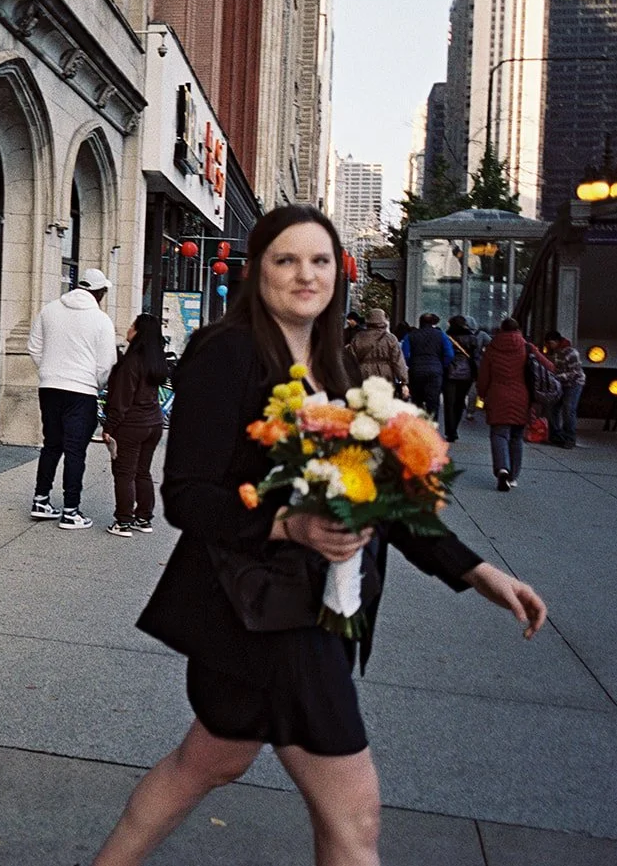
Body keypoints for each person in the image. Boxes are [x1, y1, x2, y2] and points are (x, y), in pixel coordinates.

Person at [91, 206, 547, 866]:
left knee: (207, 760)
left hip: (308, 607)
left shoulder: (334, 362)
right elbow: (186, 496)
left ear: (340, 272)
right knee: (354, 813)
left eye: (320, 259)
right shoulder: (229, 350)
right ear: (258, 271)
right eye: (286, 259)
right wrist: (287, 521)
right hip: (267, 614)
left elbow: (377, 498)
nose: (305, 273)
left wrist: (477, 571)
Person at [26, 268, 118, 531]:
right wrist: (95, 384)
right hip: (82, 390)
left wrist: (49, 371)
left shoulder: (50, 309)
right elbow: (107, 364)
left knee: (51, 445)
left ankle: (41, 499)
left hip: (50, 387)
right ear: (99, 292)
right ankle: (70, 510)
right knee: (75, 450)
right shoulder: (101, 321)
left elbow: (33, 346)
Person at [102, 313, 167, 538]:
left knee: (124, 473)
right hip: (154, 423)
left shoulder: (132, 362)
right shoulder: (155, 360)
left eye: (132, 326)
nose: (128, 329)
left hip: (132, 425)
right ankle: (144, 517)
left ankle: (123, 521)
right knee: (143, 472)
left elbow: (121, 400)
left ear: (139, 333)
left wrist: (109, 427)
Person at [478, 319, 556, 490]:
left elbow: (483, 377)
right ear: (518, 329)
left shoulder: (492, 349)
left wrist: (482, 394)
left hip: (497, 396)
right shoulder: (527, 347)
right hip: (522, 397)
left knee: (499, 434)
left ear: (501, 330)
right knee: (516, 437)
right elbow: (549, 367)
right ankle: (513, 476)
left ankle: (502, 469)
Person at [401, 313, 453, 420]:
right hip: (435, 371)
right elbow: (449, 354)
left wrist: (411, 364)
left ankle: (418, 427)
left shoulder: (410, 335)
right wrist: (441, 365)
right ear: (434, 323)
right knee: (433, 402)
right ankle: (432, 427)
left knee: (416, 400)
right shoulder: (441, 335)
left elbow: (405, 354)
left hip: (416, 371)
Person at [344, 308, 407, 393]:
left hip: (364, 373)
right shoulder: (390, 338)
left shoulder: (358, 337)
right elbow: (398, 361)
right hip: (385, 374)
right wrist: (403, 381)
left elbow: (351, 359)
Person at [542, 330, 585, 449]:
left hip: (574, 383)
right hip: (562, 383)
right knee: (553, 408)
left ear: (554, 342)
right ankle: (556, 436)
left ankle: (569, 438)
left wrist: (556, 377)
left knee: (568, 409)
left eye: (550, 344)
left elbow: (575, 373)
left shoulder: (571, 353)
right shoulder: (556, 353)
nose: (549, 346)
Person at [442, 315, 480, 443]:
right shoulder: (472, 338)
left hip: (449, 373)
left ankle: (450, 430)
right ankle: (454, 429)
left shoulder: (447, 337)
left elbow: (444, 354)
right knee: (459, 403)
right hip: (466, 374)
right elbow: (475, 357)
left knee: (449, 403)